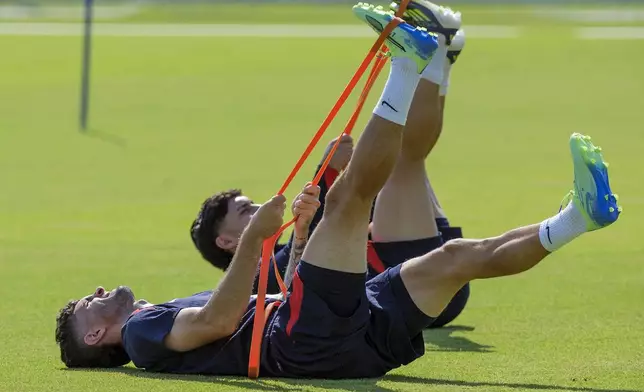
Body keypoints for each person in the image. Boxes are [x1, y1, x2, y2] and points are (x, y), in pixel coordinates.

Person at [54, 3, 621, 379]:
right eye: (87, 304)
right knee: (349, 202)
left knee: (453, 259)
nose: (98, 291)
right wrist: (256, 236)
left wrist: (299, 239)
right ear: (99, 334)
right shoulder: (142, 335)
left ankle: (578, 217)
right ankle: (408, 66)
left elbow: (259, 304)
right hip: (309, 342)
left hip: (330, 339)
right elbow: (220, 323)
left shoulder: (153, 321)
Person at [189, 0, 469, 329]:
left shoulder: (272, 260)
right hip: (416, 292)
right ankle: (435, 48)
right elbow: (319, 226)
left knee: (405, 161)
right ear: (227, 242)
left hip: (429, 279)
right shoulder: (254, 283)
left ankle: (440, 57)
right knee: (404, 160)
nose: (259, 208)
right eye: (245, 212)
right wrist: (326, 172)